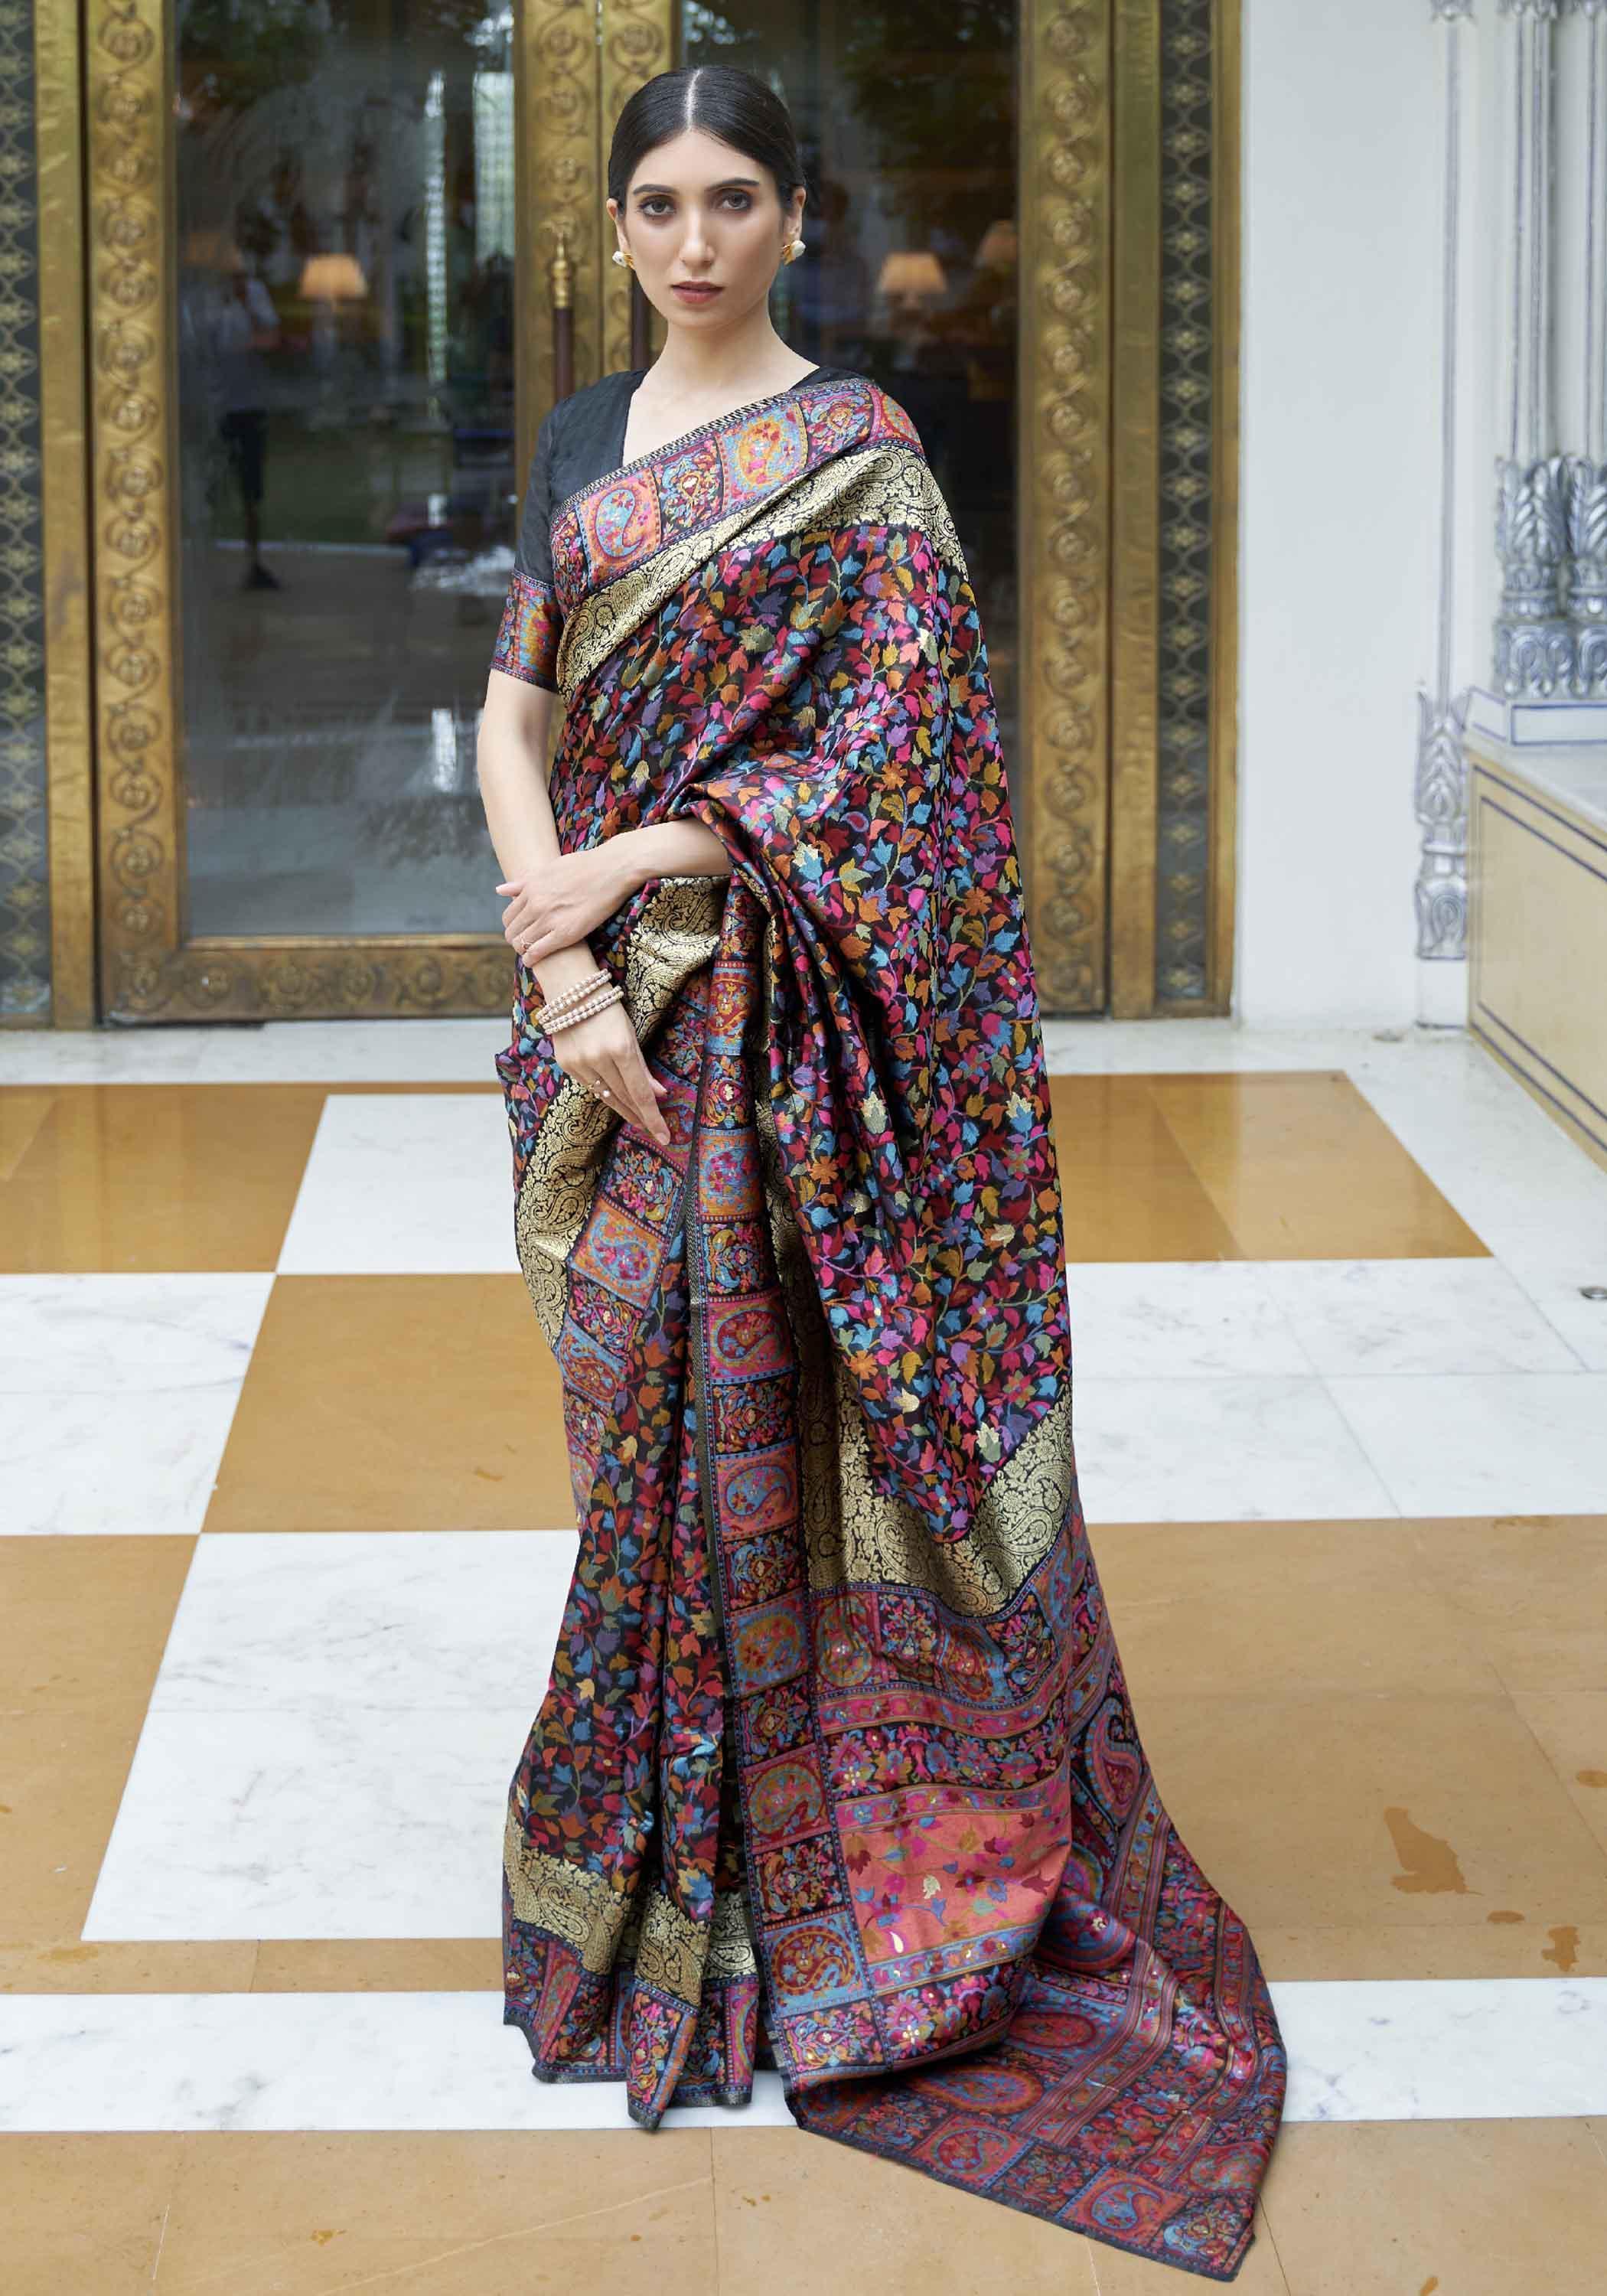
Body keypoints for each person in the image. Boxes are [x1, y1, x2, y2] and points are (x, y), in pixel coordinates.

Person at [476, 64, 1286, 2283]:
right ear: (615, 223)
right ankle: (677, 1867)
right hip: (609, 1031)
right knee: (644, 1440)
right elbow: (513, 714)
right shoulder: (579, 440)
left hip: (792, 1026)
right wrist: (560, 957)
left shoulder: (864, 454)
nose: (697, 239)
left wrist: (651, 854)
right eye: (660, 202)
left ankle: (849, 1884)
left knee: (807, 1425)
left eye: (734, 198)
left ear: (797, 218)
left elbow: (906, 769)